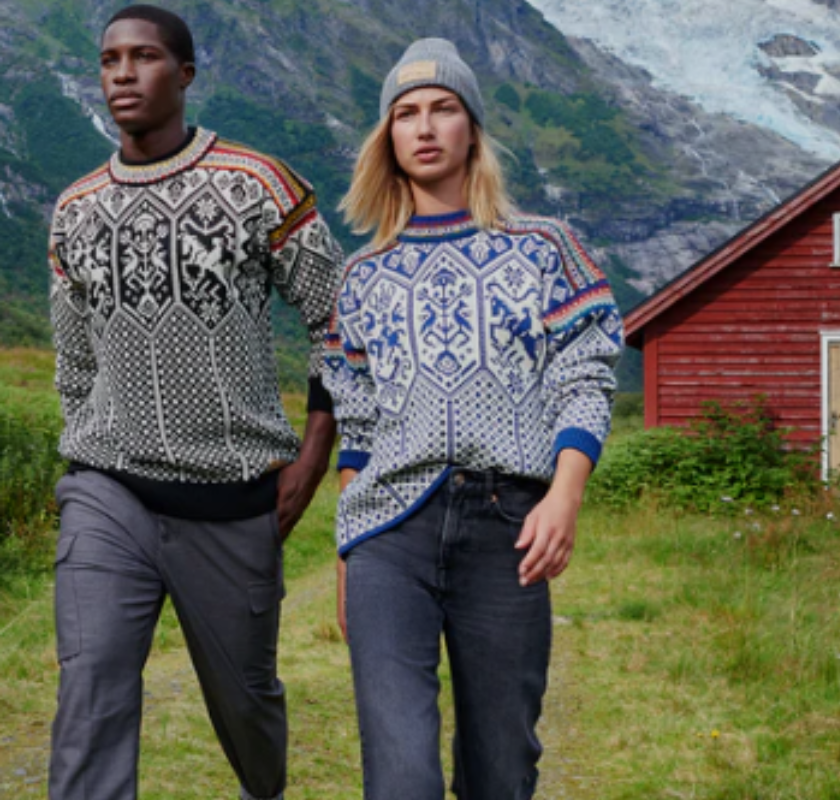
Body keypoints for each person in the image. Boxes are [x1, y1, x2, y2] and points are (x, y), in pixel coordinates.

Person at [46, 6, 343, 799]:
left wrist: (312, 457)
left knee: (247, 707)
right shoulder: (74, 210)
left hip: (234, 499)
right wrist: (84, 461)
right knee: (91, 690)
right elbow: (73, 364)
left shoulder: (259, 186)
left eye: (143, 58)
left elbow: (338, 322)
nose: (122, 73)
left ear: (184, 74)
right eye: (110, 59)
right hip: (107, 489)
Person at [322, 37, 623, 800]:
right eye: (407, 114)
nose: (424, 127)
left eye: (443, 109)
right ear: (387, 139)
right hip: (388, 535)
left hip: (507, 526)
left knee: (500, 768)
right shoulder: (360, 279)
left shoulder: (546, 249)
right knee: (401, 775)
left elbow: (587, 376)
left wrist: (566, 494)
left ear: (472, 130)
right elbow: (354, 423)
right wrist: (346, 549)